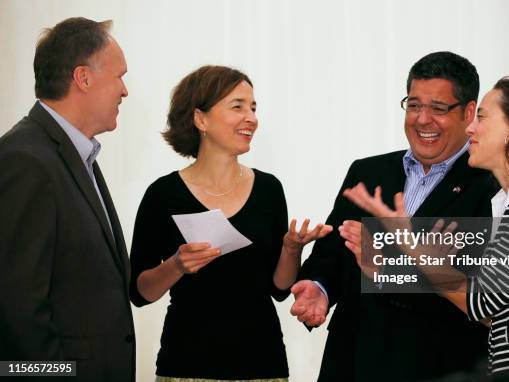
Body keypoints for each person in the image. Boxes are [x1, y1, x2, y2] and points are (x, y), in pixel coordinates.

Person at [343, 76, 509, 381]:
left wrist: (409, 244)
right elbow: (496, 314)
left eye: (481, 117)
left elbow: (482, 302)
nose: (470, 128)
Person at [290, 52, 498, 381]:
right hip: (353, 359)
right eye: (414, 105)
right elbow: (331, 255)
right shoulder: (368, 172)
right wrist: (320, 288)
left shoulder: (489, 185)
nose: (422, 119)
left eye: (438, 108)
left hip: (438, 365)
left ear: (468, 112)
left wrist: (387, 259)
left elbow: (477, 289)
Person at [129, 65, 331, 381]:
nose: (251, 117)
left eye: (253, 107)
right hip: (186, 365)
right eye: (237, 106)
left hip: (262, 365)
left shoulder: (268, 189)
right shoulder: (163, 194)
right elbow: (140, 293)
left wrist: (291, 249)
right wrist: (177, 265)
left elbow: (278, 289)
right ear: (201, 119)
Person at [0, 18, 134, 381]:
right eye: (119, 76)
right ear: (83, 78)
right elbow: (17, 309)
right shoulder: (25, 160)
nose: (125, 90)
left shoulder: (76, 155)